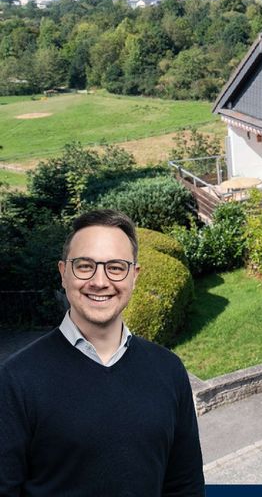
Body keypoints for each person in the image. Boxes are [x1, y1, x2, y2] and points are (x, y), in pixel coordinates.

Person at [0, 209, 205, 496]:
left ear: (134, 276)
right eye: (85, 266)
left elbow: (185, 486)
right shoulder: (16, 379)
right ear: (63, 273)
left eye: (116, 267)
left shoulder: (169, 370)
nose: (99, 281)